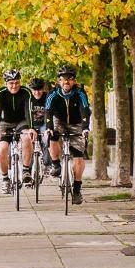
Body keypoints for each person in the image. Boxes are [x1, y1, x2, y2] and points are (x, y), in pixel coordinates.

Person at [44, 65, 91, 205]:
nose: (66, 82)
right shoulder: (53, 93)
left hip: (77, 124)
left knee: (78, 157)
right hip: (59, 121)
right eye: (63, 79)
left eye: (70, 79)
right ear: (58, 81)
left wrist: (85, 128)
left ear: (74, 81)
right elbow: (48, 111)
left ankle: (77, 190)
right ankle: (56, 164)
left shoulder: (80, 93)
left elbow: (85, 110)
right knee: (52, 135)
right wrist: (48, 127)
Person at [0, 69, 37, 194]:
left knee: (27, 138)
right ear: (6, 83)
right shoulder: (0, 93)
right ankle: (5, 179)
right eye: (11, 83)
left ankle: (26, 170)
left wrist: (31, 127)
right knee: (2, 149)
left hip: (22, 121)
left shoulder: (26, 92)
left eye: (17, 82)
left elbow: (29, 111)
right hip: (5, 122)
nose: (14, 86)